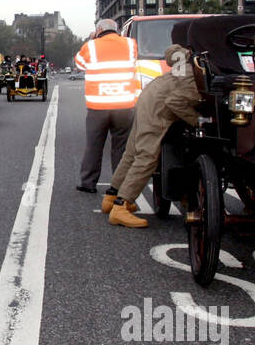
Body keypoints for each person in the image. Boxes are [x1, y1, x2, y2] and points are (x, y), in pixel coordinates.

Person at [106, 44, 203, 228]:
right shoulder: (197, 76)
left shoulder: (187, 62)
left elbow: (173, 54)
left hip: (149, 97)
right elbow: (175, 102)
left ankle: (111, 195)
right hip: (158, 109)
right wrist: (198, 121)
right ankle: (121, 207)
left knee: (132, 152)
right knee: (147, 157)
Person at [74, 19, 139, 195]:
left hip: (98, 106)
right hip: (124, 105)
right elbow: (134, 60)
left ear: (99, 30)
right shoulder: (130, 44)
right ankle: (120, 185)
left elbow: (79, 65)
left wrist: (91, 40)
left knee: (94, 145)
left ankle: (88, 182)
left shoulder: (92, 46)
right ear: (116, 30)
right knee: (121, 148)